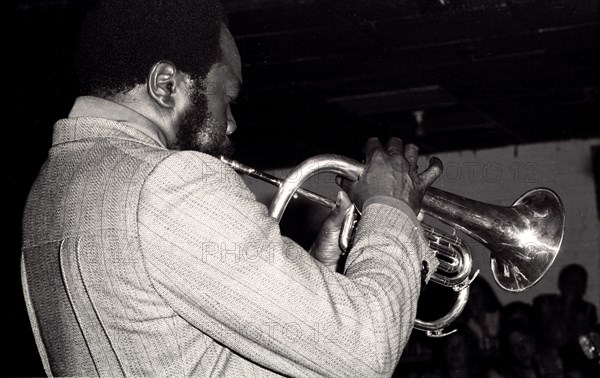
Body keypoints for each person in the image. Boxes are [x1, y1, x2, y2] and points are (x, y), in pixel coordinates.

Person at [20, 0, 443, 377]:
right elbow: (365, 351)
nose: (231, 124)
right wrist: (391, 208)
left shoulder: (54, 188)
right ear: (166, 85)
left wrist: (315, 275)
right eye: (229, 97)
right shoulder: (170, 182)